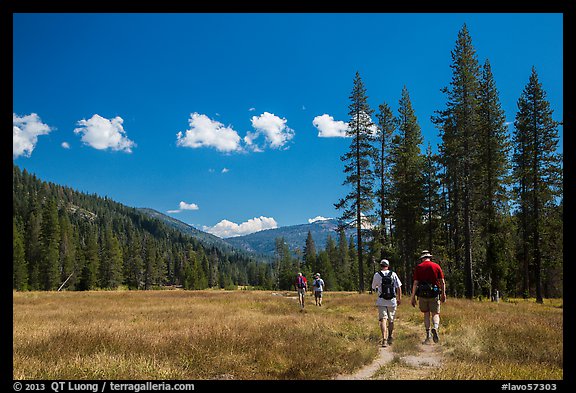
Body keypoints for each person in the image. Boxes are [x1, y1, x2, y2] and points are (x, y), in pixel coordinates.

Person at [410, 250, 446, 344]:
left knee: (426, 314)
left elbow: (415, 283)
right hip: (434, 294)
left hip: (422, 294)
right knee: (435, 313)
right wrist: (443, 294)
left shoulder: (419, 267)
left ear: (422, 258)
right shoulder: (436, 266)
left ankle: (428, 335)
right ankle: (436, 327)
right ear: (430, 257)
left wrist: (413, 297)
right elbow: (442, 281)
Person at [371, 259, 402, 347]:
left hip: (381, 300)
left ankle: (384, 339)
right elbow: (399, 287)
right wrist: (399, 298)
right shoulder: (393, 274)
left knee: (383, 319)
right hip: (392, 300)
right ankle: (390, 337)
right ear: (388, 265)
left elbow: (373, 286)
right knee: (391, 320)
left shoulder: (377, 274)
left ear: (381, 265)